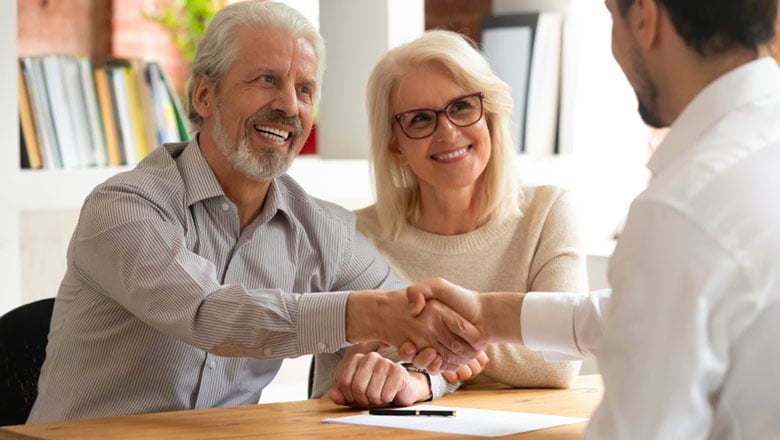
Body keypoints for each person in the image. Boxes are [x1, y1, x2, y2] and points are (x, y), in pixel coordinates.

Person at [27, 1, 486, 423]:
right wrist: (371, 314)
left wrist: (418, 377)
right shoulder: (123, 208)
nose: (289, 105)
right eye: (266, 79)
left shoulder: (325, 231)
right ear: (204, 97)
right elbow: (209, 313)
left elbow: (427, 334)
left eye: (304, 89)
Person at [407, 0, 780, 438]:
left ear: (644, 17)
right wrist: (489, 316)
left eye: (608, 14)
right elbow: (657, 309)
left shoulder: (683, 209)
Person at [310, 30, 589, 408]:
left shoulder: (548, 212)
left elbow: (558, 360)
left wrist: (426, 365)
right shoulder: (351, 237)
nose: (448, 132)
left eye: (461, 107)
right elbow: (329, 389)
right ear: (395, 145)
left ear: (489, 114)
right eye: (421, 119)